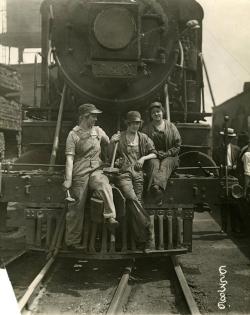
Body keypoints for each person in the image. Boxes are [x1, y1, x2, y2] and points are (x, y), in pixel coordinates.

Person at [62, 103, 120, 250]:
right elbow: (69, 159)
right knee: (77, 206)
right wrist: (68, 180)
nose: (95, 119)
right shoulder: (73, 135)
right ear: (84, 117)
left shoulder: (98, 131)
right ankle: (72, 242)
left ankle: (110, 216)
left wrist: (114, 139)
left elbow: (109, 142)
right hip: (79, 171)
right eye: (93, 116)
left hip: (96, 169)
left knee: (103, 184)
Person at [111, 111, 157, 250]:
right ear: (128, 123)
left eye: (138, 123)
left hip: (138, 174)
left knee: (138, 201)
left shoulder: (143, 137)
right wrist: (112, 142)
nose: (135, 126)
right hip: (124, 173)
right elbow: (109, 156)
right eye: (133, 123)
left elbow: (154, 152)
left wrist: (143, 158)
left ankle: (141, 240)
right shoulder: (121, 137)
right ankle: (149, 225)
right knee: (131, 198)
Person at [142, 101, 181, 199]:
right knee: (153, 164)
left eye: (158, 111)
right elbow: (143, 146)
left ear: (162, 112)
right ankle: (157, 191)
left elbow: (177, 145)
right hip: (154, 156)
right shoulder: (146, 129)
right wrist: (155, 153)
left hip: (171, 157)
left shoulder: (171, 126)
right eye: (153, 112)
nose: (156, 114)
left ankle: (156, 187)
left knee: (165, 164)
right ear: (151, 115)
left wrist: (167, 153)